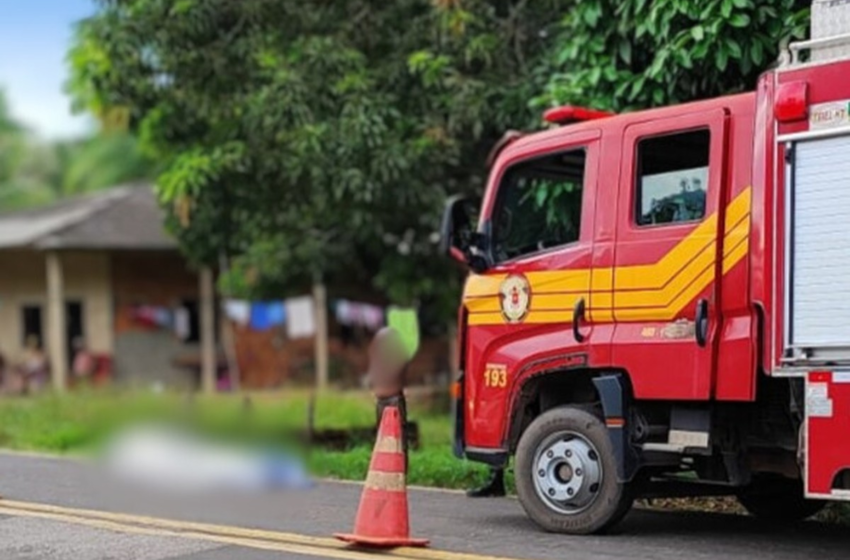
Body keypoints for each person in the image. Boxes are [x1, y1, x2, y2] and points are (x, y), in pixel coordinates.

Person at [367, 327, 410, 471]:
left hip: (388, 399)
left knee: (391, 440)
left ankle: (394, 471)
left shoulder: (385, 355)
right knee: (390, 441)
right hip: (388, 399)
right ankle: (391, 471)